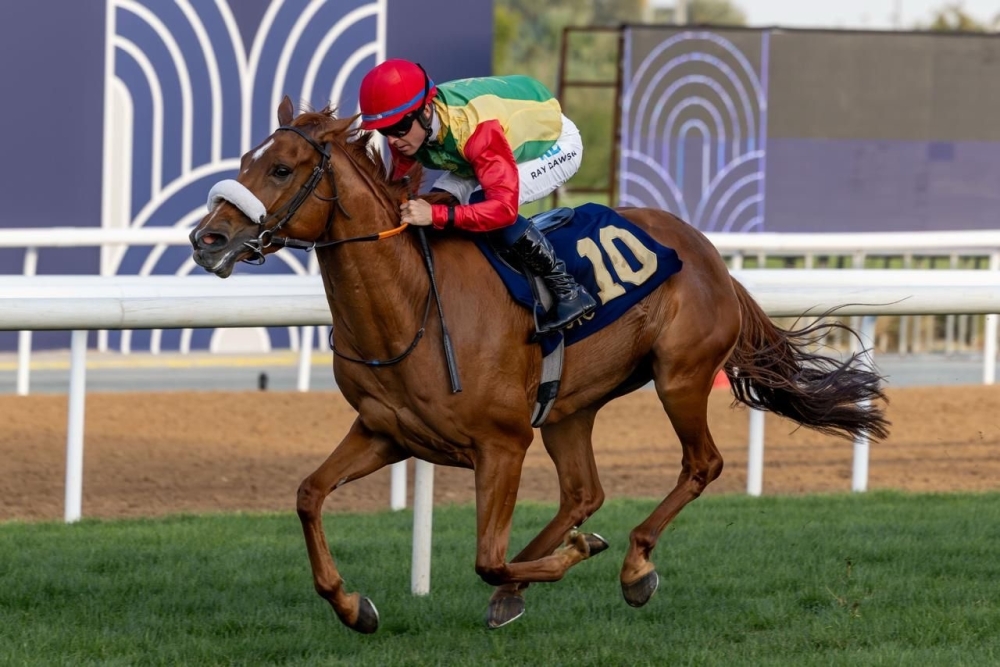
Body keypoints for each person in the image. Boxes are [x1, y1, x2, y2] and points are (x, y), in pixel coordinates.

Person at [358, 59, 597, 334]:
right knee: (441, 201)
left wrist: (435, 215)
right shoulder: (409, 129)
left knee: (479, 206)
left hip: (553, 142)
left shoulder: (476, 131)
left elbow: (502, 209)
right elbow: (399, 186)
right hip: (481, 149)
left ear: (425, 110)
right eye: (384, 130)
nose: (392, 140)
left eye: (398, 128)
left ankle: (568, 290)